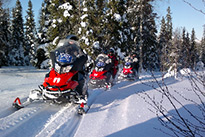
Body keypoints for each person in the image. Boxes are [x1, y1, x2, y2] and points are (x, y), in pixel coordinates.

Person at [49, 35, 88, 103]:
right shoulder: (63, 48)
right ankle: (48, 85)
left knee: (79, 75)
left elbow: (82, 55)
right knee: (52, 72)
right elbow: (57, 52)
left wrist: (82, 57)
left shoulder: (78, 49)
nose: (72, 42)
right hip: (63, 64)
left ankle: (80, 93)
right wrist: (53, 54)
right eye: (71, 40)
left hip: (74, 65)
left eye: (74, 41)